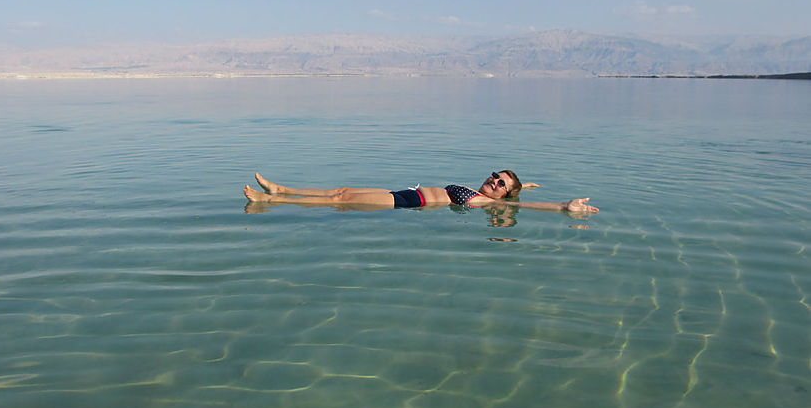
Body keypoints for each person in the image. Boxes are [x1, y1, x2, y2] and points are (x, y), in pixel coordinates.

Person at [243, 171, 599, 214]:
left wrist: (561, 205)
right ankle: (283, 188)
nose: (493, 181)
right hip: (406, 193)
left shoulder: (486, 203)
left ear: (503, 196)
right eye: (495, 175)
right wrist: (525, 182)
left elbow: (530, 205)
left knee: (343, 202)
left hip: (410, 202)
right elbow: (522, 191)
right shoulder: (488, 193)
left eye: (501, 183)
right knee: (342, 190)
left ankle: (270, 201)